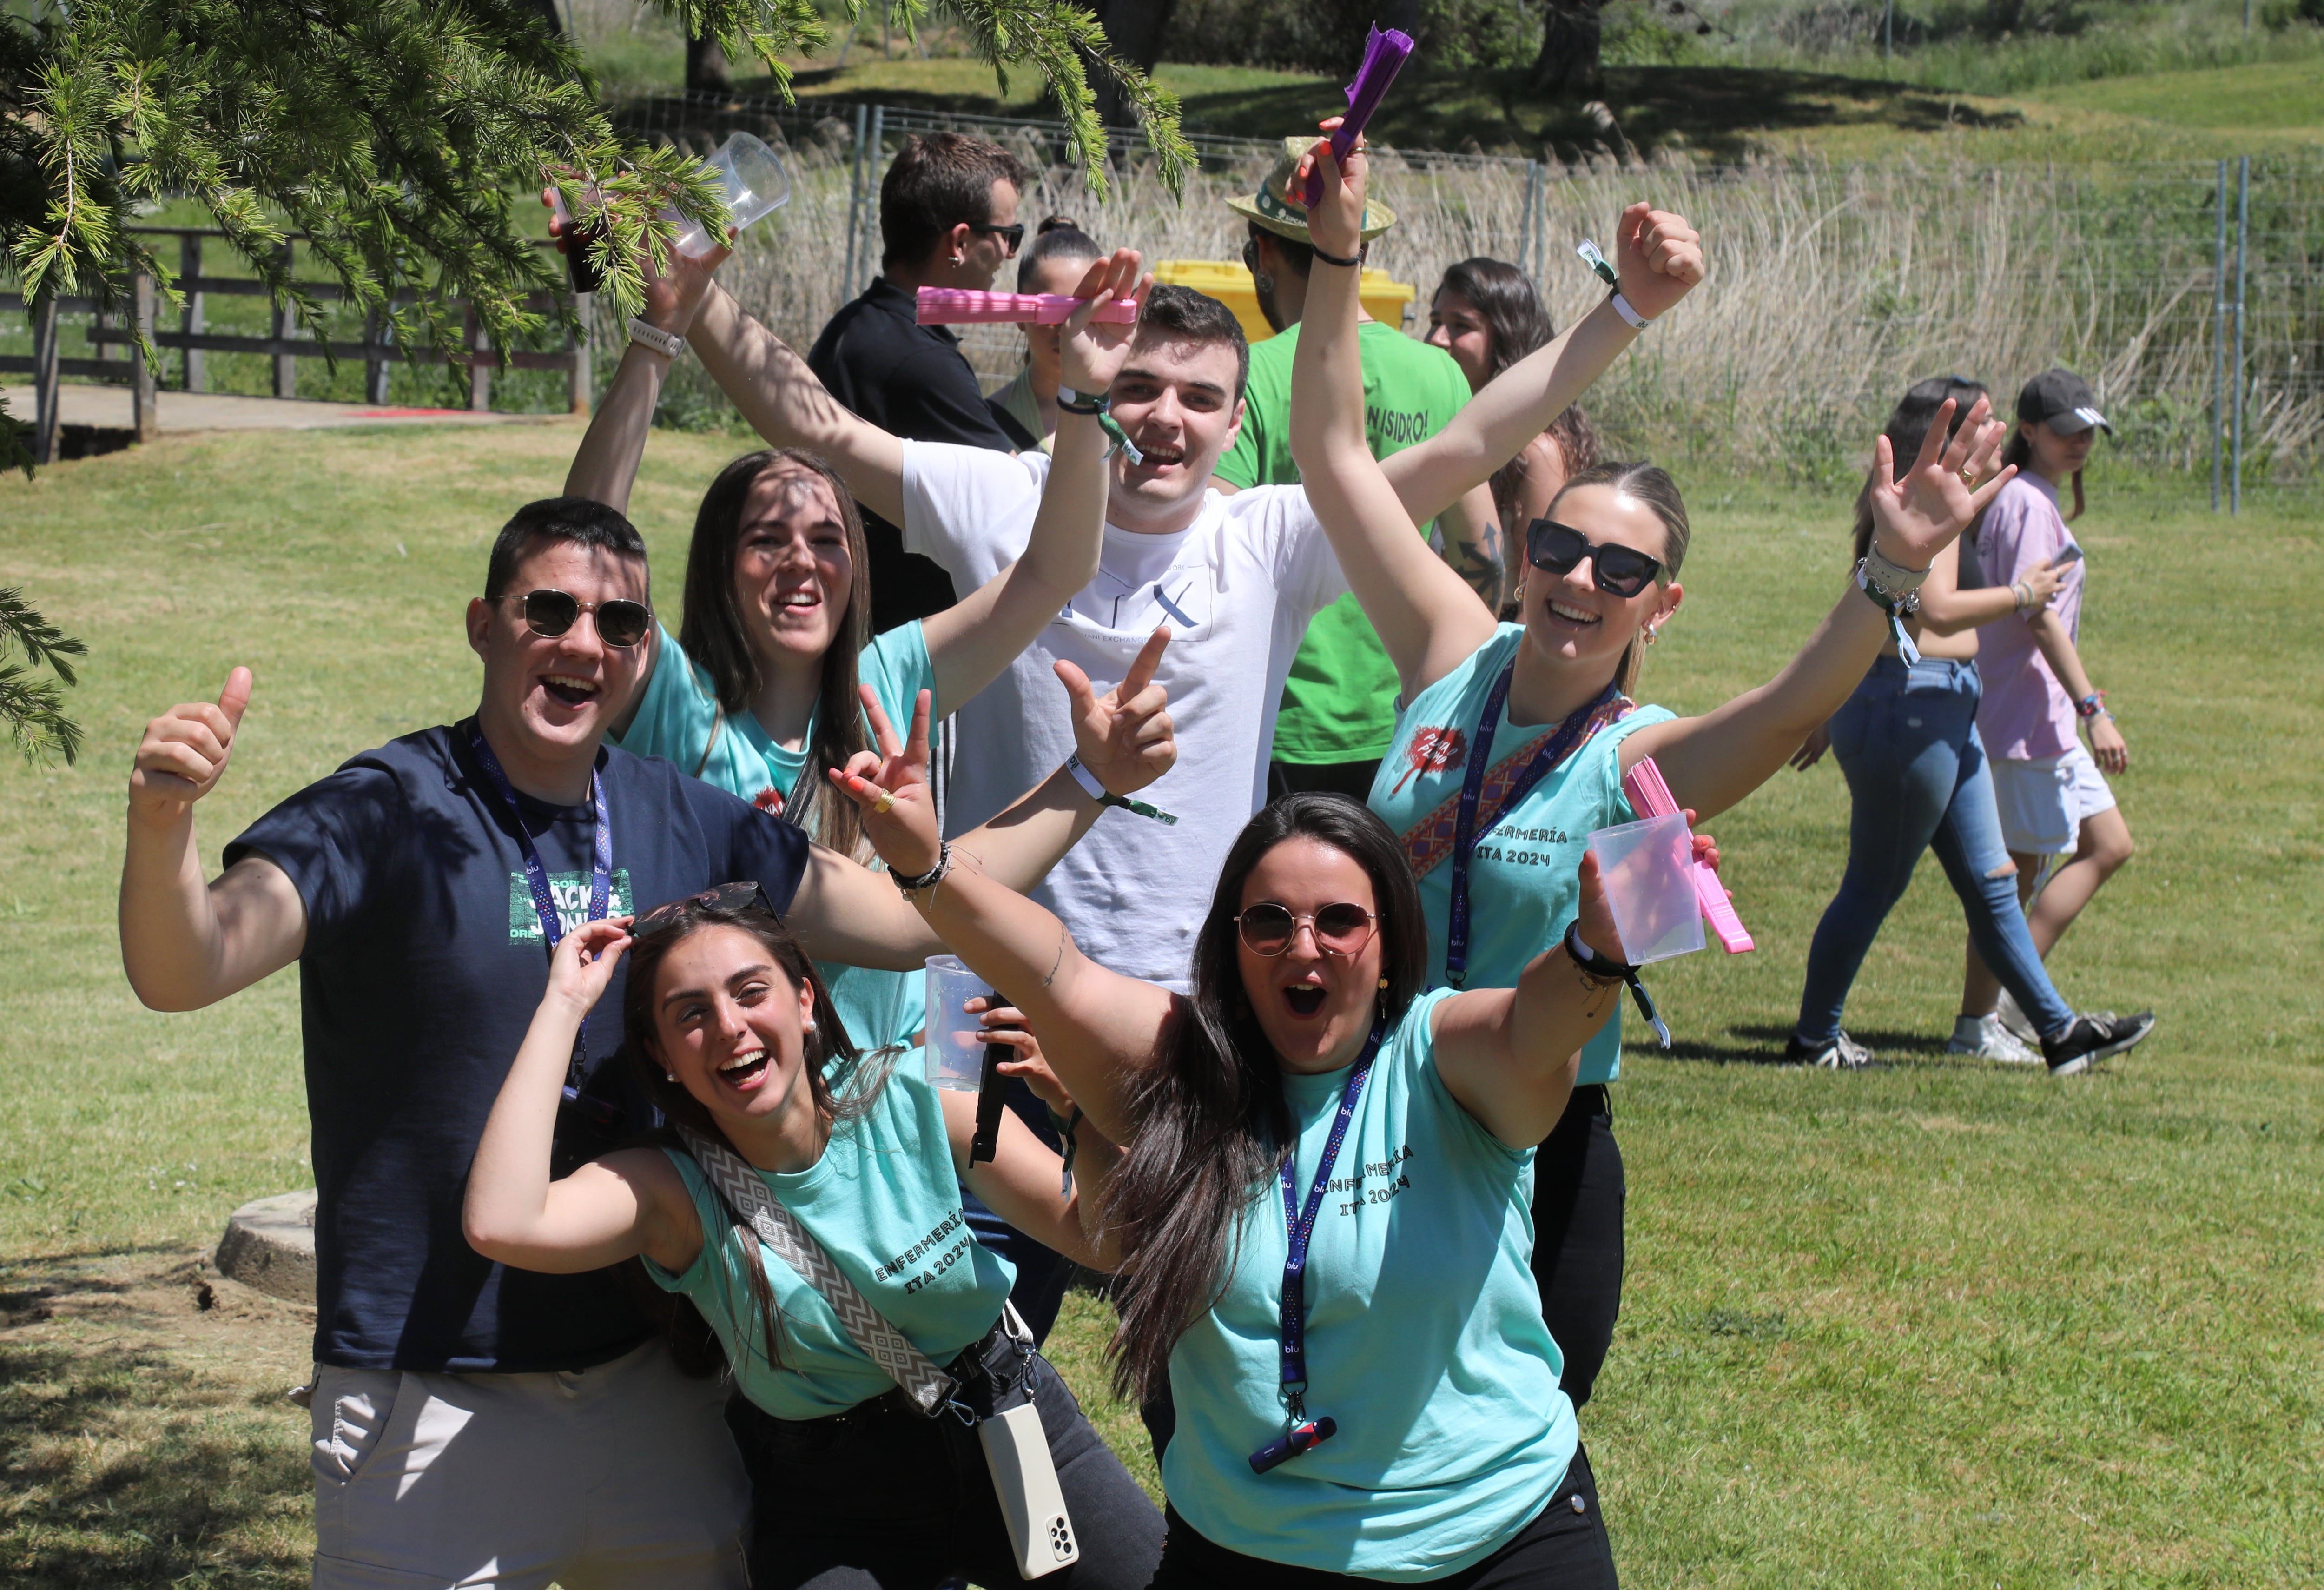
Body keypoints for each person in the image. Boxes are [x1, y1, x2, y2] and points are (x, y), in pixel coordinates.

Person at [117, 497, 1176, 1589]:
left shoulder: (684, 815)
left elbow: (909, 922)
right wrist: (164, 827)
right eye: (550, 609)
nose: (585, 641)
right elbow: (185, 966)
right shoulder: (387, 809)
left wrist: (1084, 782)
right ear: (483, 624)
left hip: (658, 1394)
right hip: (433, 1387)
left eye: (620, 623)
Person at [671, 197, 1707, 1004]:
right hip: (981, 966)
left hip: (1188, 980)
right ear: (1096, 382)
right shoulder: (1007, 493)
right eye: (1139, 389)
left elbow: (1467, 446)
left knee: (1178, 1274)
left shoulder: (1270, 535)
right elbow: (819, 429)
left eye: (1201, 398)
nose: (1165, 419)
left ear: (1230, 423)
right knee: (988, 1265)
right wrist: (695, 300)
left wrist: (1625, 310)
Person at [829, 705, 1647, 1584]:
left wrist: (1594, 953)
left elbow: (1535, 1031)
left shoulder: (1438, 1058)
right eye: (1270, 924)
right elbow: (1053, 969)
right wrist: (927, 865)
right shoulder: (1188, 1071)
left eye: (1340, 921)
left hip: (1498, 1544)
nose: (1306, 948)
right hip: (1249, 1550)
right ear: (1233, 943)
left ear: (1389, 939)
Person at [563, 241, 1157, 1339]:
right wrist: (654, 339)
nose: (801, 560)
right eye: (765, 537)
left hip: (900, 1124)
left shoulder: (891, 677)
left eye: (827, 538)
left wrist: (1079, 397)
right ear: (719, 566)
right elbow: (581, 570)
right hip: (739, 1136)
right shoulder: (676, 707)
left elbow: (1049, 574)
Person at [462, 877, 1165, 1589]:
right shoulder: (673, 1193)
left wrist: (1075, 1113)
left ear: (804, 1000)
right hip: (836, 1502)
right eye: (690, 1014)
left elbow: (1109, 1241)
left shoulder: (922, 1091)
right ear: (662, 1055)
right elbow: (503, 1222)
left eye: (750, 992)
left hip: (1010, 1423)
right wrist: (563, 1007)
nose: (730, 1026)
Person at [1786, 377, 2154, 1075]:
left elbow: (1869, 609)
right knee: (1873, 884)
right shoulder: (1931, 501)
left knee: (1994, 880)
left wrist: (1835, 707)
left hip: (1942, 706)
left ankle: (2057, 1033)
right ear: (1945, 438)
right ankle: (1814, 1038)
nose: (1994, 440)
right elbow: (1939, 610)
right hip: (1913, 708)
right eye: (1980, 427)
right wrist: (2023, 594)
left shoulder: (1918, 500)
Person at [1216, 137, 1499, 801]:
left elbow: (1215, 558)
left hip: (1280, 726)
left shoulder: (1250, 373)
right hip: (1414, 713)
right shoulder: (1440, 372)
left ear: (1261, 253)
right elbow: (1481, 555)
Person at [1957, 368, 2152, 1068]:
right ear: (2030, 431)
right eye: (2066, 431)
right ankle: (1979, 1026)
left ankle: (2011, 1004)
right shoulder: (2027, 504)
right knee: (2010, 881)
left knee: (2109, 844)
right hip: (2024, 720)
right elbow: (2037, 618)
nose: (2079, 443)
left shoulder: (2029, 499)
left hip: (2043, 722)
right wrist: (2093, 708)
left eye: (2087, 432)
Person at [808, 131, 1034, 629]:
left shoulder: (856, 326)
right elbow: (1019, 501)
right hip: (905, 653)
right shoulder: (919, 361)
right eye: (1006, 234)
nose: (1008, 253)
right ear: (958, 242)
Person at [1426, 258, 1602, 574]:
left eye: (1461, 325)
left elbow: (1541, 584)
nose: (1437, 338)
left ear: (1507, 337)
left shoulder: (1537, 454)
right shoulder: (1441, 425)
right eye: (1435, 320)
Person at [988, 217, 1107, 452]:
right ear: (1021, 314)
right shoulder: (988, 424)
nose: (1069, 329)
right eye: (1052, 312)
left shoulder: (1135, 414)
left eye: (1083, 311)